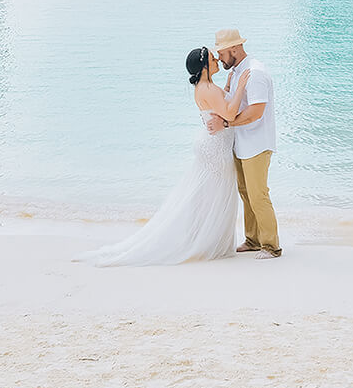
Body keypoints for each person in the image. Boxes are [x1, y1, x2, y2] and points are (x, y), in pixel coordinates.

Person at [78, 46, 255, 266]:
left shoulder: (206, 87)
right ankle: (205, 241)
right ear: (204, 68)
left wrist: (229, 86)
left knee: (207, 197)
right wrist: (241, 87)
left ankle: (202, 237)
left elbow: (221, 105)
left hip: (212, 145)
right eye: (212, 58)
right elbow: (228, 113)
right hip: (215, 148)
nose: (217, 59)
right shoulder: (207, 88)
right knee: (215, 196)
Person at [213, 26, 279, 257]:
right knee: (245, 192)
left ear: (234, 49)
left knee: (258, 194)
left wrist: (227, 125)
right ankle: (252, 239)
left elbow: (256, 112)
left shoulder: (255, 72)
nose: (219, 58)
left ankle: (271, 245)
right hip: (242, 143)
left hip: (257, 143)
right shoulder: (237, 73)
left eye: (221, 53)